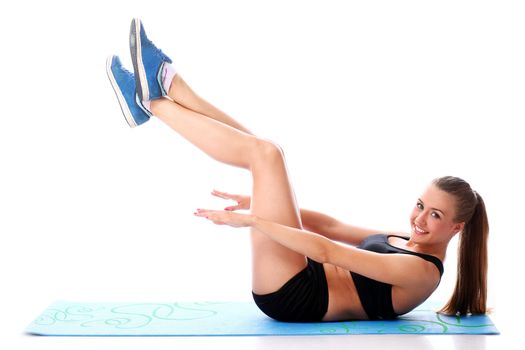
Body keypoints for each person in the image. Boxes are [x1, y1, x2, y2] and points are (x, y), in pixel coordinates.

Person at [106, 18, 489, 322]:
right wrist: (260, 201)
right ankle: (170, 86)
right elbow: (333, 228)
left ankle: (152, 104)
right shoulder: (404, 238)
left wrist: (256, 221)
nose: (419, 218)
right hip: (301, 270)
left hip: (295, 295)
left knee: (266, 156)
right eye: (420, 204)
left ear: (457, 228)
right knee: (272, 155)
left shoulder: (421, 273)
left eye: (434, 215)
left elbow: (328, 250)